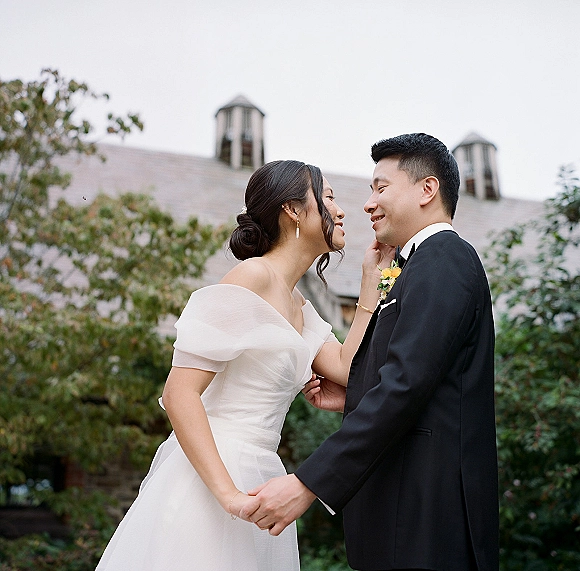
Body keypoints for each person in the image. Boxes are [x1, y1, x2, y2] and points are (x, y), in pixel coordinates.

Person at [95, 159, 393, 570]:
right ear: (292, 210)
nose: (341, 211)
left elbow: (347, 367)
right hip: (212, 475)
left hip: (264, 472)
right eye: (327, 198)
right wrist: (229, 495)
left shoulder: (299, 305)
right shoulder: (250, 277)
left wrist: (368, 289)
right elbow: (178, 393)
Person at [241, 134, 499, 571]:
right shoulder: (417, 266)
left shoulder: (445, 258)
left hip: (426, 524)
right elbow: (419, 376)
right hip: (403, 520)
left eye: (380, 187)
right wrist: (355, 391)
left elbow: (405, 385)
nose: (367, 204)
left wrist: (307, 483)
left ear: (427, 190)